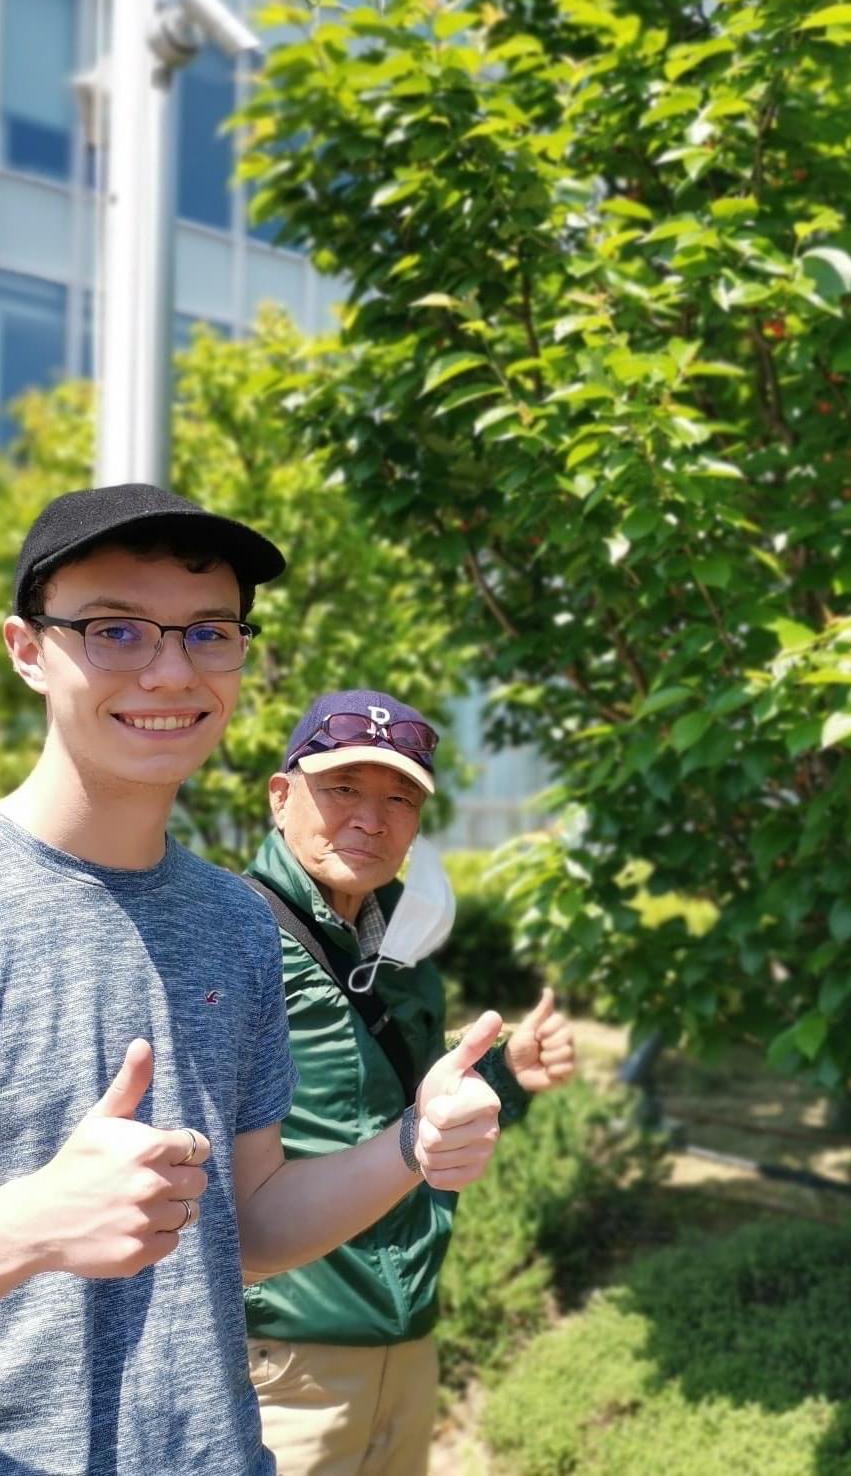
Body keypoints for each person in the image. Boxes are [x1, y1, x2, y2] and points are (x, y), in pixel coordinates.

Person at [0, 485, 508, 1475]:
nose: (169, 669)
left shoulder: (234, 920)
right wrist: (24, 1228)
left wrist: (412, 1141)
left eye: (208, 633)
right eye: (115, 630)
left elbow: (252, 1228)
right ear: (25, 648)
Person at [242, 688, 576, 1476]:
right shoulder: (235, 936)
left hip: (409, 1337)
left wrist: (509, 1073)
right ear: (282, 796)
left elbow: (403, 1111)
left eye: (400, 798)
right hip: (285, 1359)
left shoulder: (401, 942)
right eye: (344, 788)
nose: (372, 817)